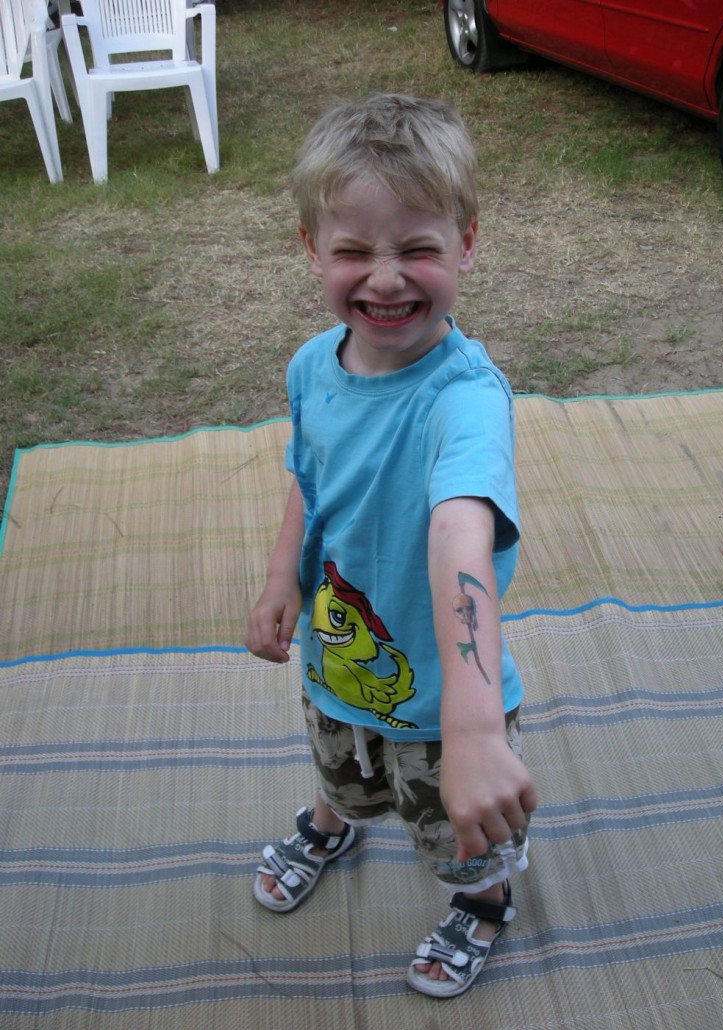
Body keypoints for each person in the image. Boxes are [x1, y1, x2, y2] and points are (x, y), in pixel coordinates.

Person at [245, 92, 537, 999]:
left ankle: (484, 901)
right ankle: (333, 821)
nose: (384, 280)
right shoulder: (311, 366)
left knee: (456, 831)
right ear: (310, 248)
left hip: (448, 700)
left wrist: (474, 725)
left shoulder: (466, 400)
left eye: (416, 248)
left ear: (467, 243)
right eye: (353, 251)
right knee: (341, 762)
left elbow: (459, 529)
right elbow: (310, 475)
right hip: (339, 656)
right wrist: (282, 577)